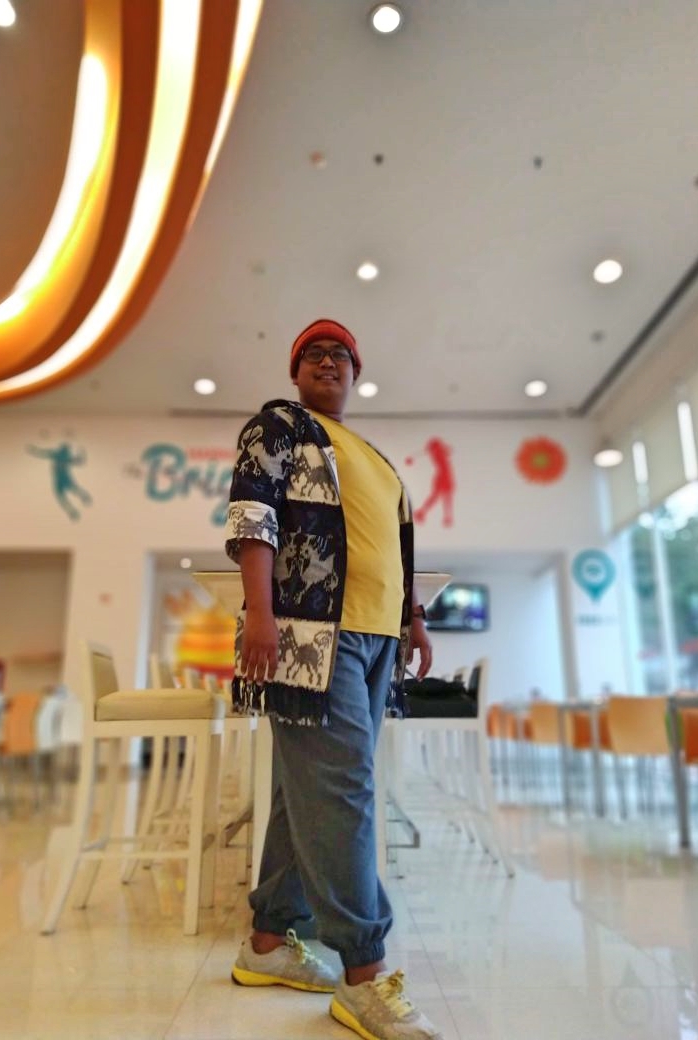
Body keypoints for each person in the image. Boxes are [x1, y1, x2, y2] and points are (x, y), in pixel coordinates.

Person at [224, 319, 442, 1040]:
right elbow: (253, 518)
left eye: (340, 354)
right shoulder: (281, 426)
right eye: (313, 354)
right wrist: (262, 613)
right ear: (295, 372)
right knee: (345, 789)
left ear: (356, 372)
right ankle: (363, 974)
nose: (328, 361)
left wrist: (414, 620)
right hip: (311, 636)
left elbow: (395, 549)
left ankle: (267, 943)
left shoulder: (372, 457)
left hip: (378, 641)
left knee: (309, 791)